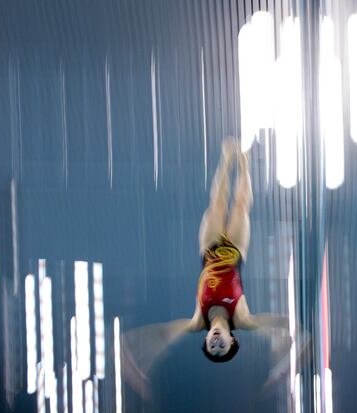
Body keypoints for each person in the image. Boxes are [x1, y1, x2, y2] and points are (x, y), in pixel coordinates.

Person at [122, 139, 288, 398]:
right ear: (233, 340)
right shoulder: (242, 319)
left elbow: (161, 336)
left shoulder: (197, 321)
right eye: (224, 347)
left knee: (217, 205)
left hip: (209, 250)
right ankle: (243, 163)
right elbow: (276, 324)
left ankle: (226, 158)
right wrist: (289, 341)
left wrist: (136, 363)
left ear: (206, 340)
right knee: (242, 204)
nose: (218, 343)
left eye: (213, 348)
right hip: (235, 250)